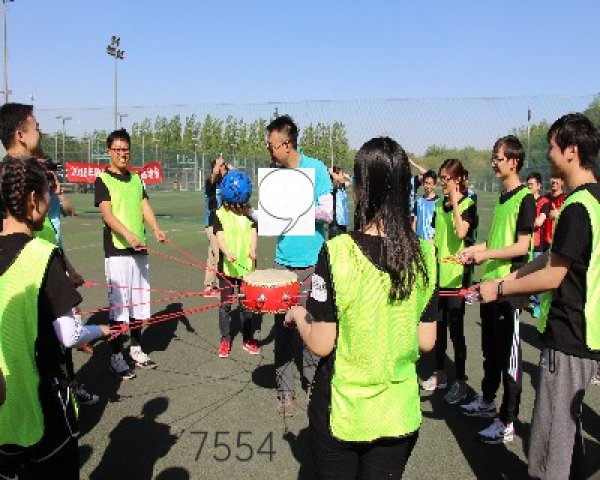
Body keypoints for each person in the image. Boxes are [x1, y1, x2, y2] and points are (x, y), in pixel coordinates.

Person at [284, 137, 437, 479]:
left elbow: (321, 342)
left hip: (344, 411)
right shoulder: (427, 255)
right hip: (398, 413)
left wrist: (297, 314)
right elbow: (426, 340)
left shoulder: (337, 252)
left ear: (361, 190)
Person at [479, 113, 600, 478]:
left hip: (569, 336)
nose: (548, 155)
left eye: (552, 147)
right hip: (586, 335)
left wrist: (500, 287)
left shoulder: (578, 206)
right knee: (568, 434)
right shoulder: (594, 200)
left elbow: (553, 274)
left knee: (550, 442)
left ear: (571, 151)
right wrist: (515, 275)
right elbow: (552, 258)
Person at [0, 157, 109, 479]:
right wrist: (103, 329)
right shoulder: (43, 256)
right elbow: (70, 335)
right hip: (41, 404)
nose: (51, 202)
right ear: (33, 199)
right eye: (49, 193)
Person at [459, 135, 535, 444]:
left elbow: (522, 246)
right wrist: (474, 250)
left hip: (509, 289)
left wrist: (487, 254)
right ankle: (487, 401)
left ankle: (507, 421)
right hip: (490, 287)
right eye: (493, 157)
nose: (493, 163)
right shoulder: (504, 198)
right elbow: (495, 241)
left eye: (498, 158)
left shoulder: (525, 198)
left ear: (513, 162)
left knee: (509, 360)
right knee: (490, 352)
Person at [265, 115, 333, 416]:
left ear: (288, 144)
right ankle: (285, 392)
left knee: (312, 327)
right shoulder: (275, 176)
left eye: (272, 145)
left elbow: (328, 213)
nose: (270, 151)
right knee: (282, 330)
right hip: (283, 263)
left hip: (313, 263)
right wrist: (249, 212)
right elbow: (269, 218)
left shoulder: (316, 169)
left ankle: (313, 383)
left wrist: (296, 206)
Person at [94, 129, 167, 380]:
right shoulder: (103, 180)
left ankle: (136, 349)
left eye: (126, 149)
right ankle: (116, 356)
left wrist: (156, 229)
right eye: (118, 150)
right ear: (109, 152)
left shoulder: (136, 179)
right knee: (118, 308)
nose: (122, 154)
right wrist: (127, 234)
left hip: (139, 250)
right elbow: (107, 215)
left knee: (138, 304)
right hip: (117, 251)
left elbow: (144, 205)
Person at [421, 159, 477, 405]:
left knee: (456, 332)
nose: (442, 183)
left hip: (457, 279)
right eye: (442, 178)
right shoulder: (438, 206)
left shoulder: (468, 204)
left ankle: (461, 381)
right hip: (439, 277)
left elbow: (461, 232)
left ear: (458, 179)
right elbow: (436, 238)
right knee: (439, 329)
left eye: (446, 179)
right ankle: (441, 373)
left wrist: (454, 200)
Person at [212, 170, 261, 357]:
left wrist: (252, 249)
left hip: (246, 268)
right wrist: (227, 252)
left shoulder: (249, 213)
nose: (237, 207)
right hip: (227, 268)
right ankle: (225, 340)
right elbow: (220, 237)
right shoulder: (219, 214)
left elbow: (253, 232)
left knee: (246, 305)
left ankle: (247, 339)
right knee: (225, 305)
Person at [203, 155, 228, 297]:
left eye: (224, 165)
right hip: (212, 224)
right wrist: (217, 168)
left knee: (212, 256)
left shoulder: (226, 183)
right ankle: (220, 287)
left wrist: (226, 167)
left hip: (222, 224)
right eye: (219, 166)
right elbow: (213, 177)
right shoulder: (210, 183)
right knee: (219, 255)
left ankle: (208, 287)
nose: (222, 168)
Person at [526, 172, 550, 318]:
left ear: (539, 186)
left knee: (536, 275)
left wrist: (525, 222)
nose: (529, 187)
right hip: (524, 244)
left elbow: (539, 222)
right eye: (528, 184)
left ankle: (537, 304)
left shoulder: (544, 202)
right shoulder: (524, 200)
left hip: (537, 245)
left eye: (532, 184)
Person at [412, 169, 438, 241]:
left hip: (433, 242)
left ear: (434, 185)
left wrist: (434, 240)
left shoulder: (438, 202)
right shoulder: (418, 202)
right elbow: (414, 221)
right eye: (426, 183)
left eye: (429, 184)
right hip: (419, 241)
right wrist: (414, 238)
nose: (427, 186)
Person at [328, 165, 350, 238]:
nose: (343, 175)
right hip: (335, 224)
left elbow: (352, 181)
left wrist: (345, 176)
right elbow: (335, 180)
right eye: (341, 173)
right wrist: (332, 172)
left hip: (343, 222)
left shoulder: (341, 187)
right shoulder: (332, 187)